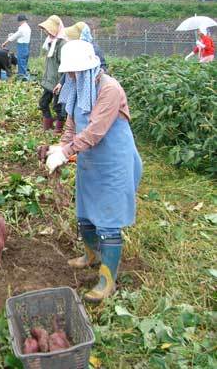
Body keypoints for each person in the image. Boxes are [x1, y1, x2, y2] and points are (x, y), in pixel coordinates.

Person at [42, 40, 142, 303]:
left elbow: (96, 131)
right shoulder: (78, 87)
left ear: (88, 68)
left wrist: (66, 152)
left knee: (108, 223)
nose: (71, 76)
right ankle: (91, 256)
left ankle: (107, 280)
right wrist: (61, 147)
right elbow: (72, 125)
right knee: (85, 215)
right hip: (89, 161)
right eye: (69, 73)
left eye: (74, 72)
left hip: (113, 163)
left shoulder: (109, 89)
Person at [38, 15, 67, 133]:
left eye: (49, 29)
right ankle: (48, 127)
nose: (47, 32)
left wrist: (61, 83)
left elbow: (65, 66)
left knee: (58, 107)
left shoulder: (62, 44)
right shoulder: (51, 42)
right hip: (49, 81)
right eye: (46, 30)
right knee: (43, 103)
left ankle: (58, 129)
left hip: (57, 82)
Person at [2, 14, 31, 81]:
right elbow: (18, 35)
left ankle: (22, 77)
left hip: (22, 46)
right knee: (24, 61)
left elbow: (13, 37)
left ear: (20, 21)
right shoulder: (28, 27)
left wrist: (5, 43)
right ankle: (24, 74)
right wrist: (13, 35)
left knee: (21, 61)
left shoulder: (22, 29)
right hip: (26, 46)